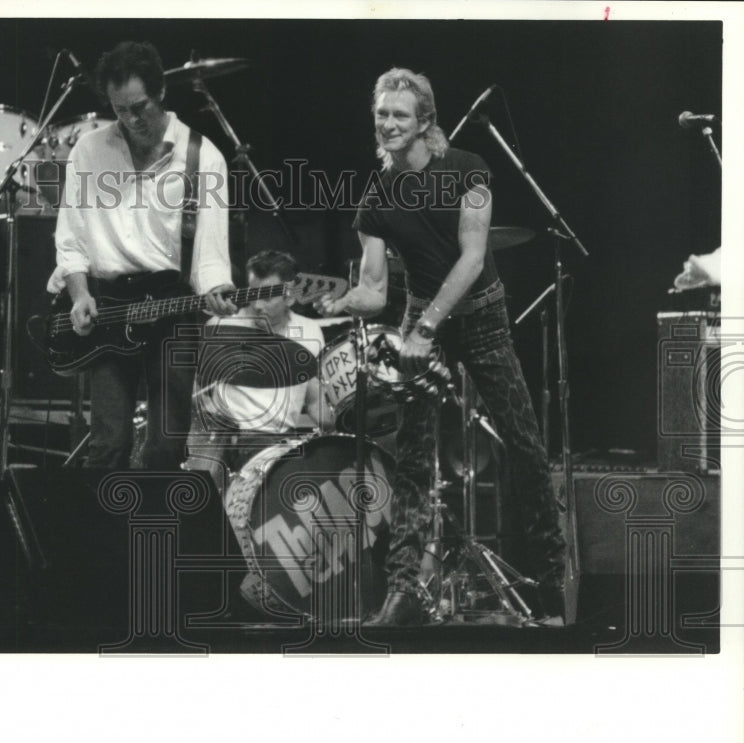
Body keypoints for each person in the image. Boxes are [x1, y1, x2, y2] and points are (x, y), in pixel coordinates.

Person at [317, 67, 567, 625]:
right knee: (411, 458)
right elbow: (376, 288)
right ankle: (403, 591)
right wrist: (336, 302)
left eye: (399, 115)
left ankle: (551, 585)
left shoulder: (468, 170)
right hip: (420, 321)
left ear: (425, 120)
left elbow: (472, 258)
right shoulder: (376, 196)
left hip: (478, 317)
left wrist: (426, 328)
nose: (387, 124)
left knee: (524, 446)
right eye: (381, 114)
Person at [47, 41, 237, 470]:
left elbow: (209, 255)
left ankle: (147, 535)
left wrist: (217, 289)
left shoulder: (203, 157)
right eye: (120, 110)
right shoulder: (88, 151)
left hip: (172, 308)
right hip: (110, 308)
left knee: (166, 450)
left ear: (161, 93)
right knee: (108, 446)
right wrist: (79, 294)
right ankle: (100, 536)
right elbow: (71, 239)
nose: (132, 120)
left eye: (140, 107)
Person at [188, 249, 333, 491]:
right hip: (231, 440)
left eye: (266, 297)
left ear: (290, 297)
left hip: (282, 442)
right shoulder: (223, 325)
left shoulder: (310, 332)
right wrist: (208, 408)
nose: (256, 304)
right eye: (253, 293)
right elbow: (195, 385)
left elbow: (313, 397)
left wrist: (344, 427)